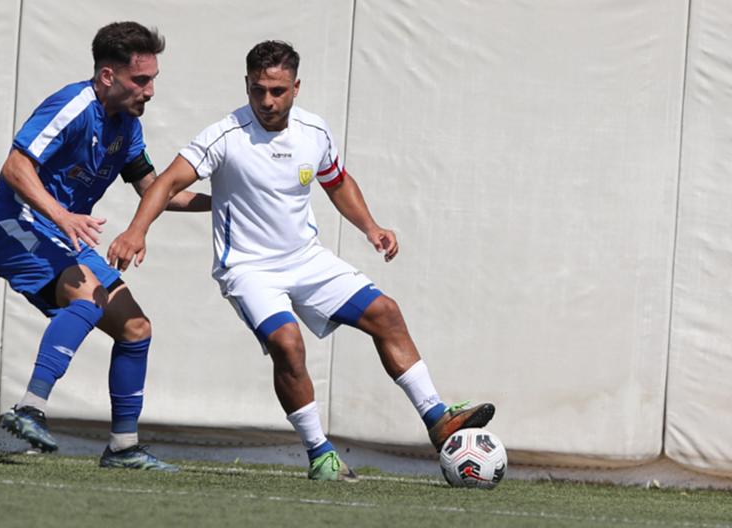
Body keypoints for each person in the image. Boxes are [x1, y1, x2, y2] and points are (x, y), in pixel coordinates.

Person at [107, 40, 495, 481]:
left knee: (385, 312)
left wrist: (371, 227)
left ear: (296, 88)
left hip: (306, 260)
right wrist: (136, 231)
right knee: (288, 343)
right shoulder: (224, 135)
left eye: (277, 91)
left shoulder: (314, 131)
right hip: (249, 269)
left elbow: (337, 182)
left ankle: (437, 418)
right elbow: (165, 183)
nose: (267, 101)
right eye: (258, 90)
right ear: (247, 85)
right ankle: (320, 453)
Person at [0, 21, 209, 471]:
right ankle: (29, 408)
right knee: (87, 296)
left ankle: (123, 447)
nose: (150, 91)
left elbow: (157, 191)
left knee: (136, 328)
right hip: (16, 226)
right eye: (140, 80)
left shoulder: (127, 127)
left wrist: (224, 201)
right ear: (108, 76)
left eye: (153, 80)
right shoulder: (73, 105)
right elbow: (15, 167)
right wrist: (62, 215)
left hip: (62, 239)